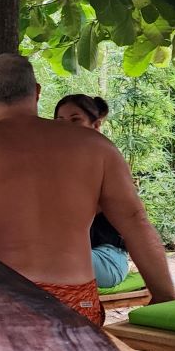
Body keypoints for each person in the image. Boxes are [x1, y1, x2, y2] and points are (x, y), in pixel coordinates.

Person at [0, 54, 175, 325]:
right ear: (36, 92)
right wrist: (164, 297)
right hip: (74, 297)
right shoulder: (95, 146)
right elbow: (135, 223)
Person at [53, 94, 131, 289]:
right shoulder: (57, 164)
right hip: (69, 254)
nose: (66, 127)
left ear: (95, 125)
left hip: (106, 257)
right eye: (59, 121)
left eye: (75, 120)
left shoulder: (107, 162)